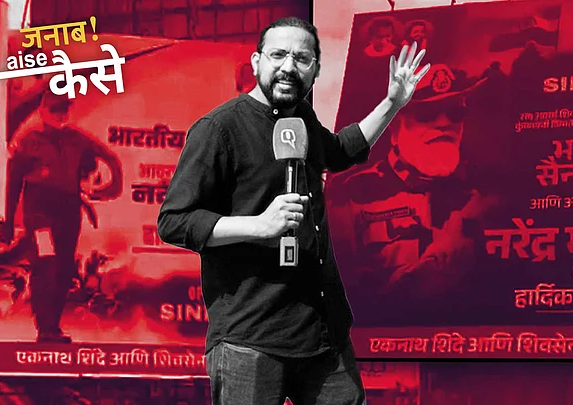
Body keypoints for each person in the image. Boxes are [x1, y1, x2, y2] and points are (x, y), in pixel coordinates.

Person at [157, 16, 429, 405]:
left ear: (315, 69)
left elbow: (340, 150)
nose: (289, 67)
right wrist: (259, 225)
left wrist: (392, 103)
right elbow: (174, 221)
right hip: (250, 338)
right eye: (278, 55)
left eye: (301, 59)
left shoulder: (302, 119)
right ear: (257, 62)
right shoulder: (219, 128)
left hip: (322, 334)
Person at [329, 64, 499, 304]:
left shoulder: (479, 195)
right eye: (427, 114)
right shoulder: (350, 194)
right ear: (394, 125)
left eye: (455, 113)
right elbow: (341, 288)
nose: (444, 124)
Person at [0, 91, 123, 343]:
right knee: (46, 262)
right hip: (40, 210)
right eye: (55, 109)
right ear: (43, 112)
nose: (60, 114)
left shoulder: (77, 138)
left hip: (68, 210)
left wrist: (111, 188)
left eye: (64, 109)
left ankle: (53, 328)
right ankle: (44, 326)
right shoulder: (30, 141)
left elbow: (110, 158)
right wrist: (8, 223)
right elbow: (13, 182)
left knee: (65, 267)